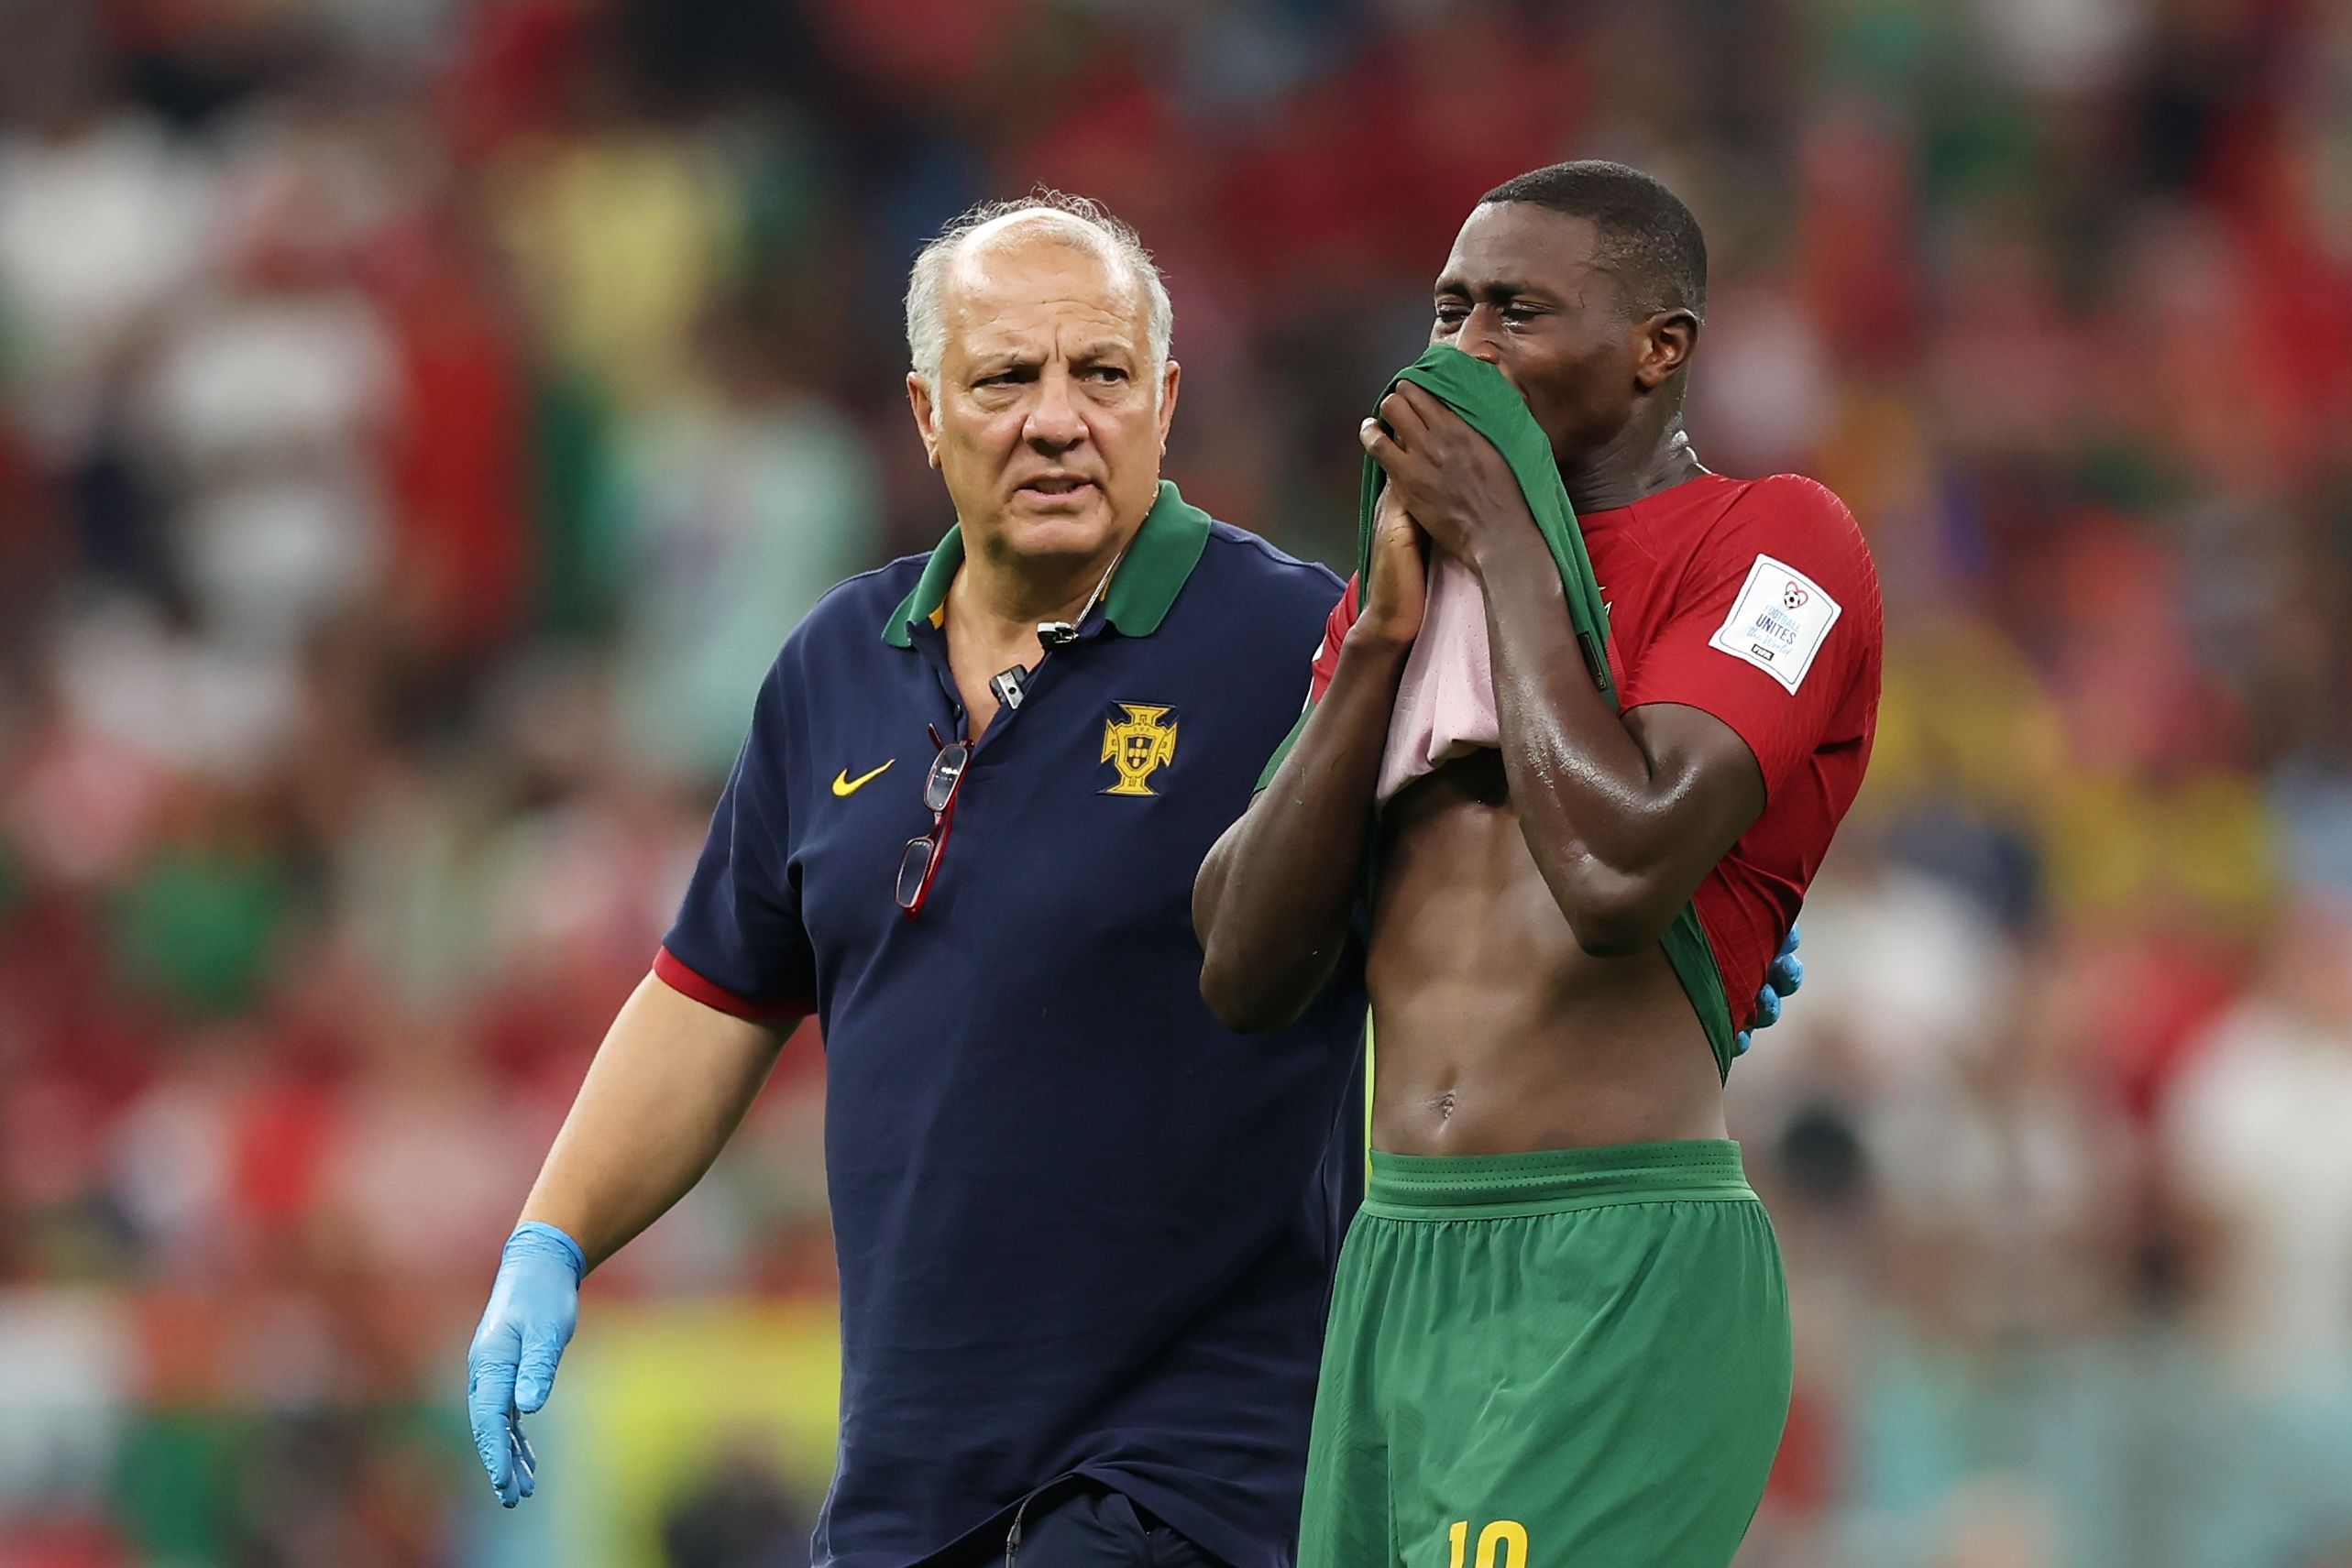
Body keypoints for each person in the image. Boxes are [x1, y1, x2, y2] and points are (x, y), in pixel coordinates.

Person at [465, 192, 1371, 1568]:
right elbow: (710, 994)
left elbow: (1473, 924)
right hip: (916, 1475)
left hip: (1200, 1476)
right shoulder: (835, 664)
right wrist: (552, 1236)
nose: (1057, 420)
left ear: (1167, 401)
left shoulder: (1299, 645)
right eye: (1005, 379)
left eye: (1102, 374)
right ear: (926, 412)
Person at [1194, 161, 1884, 1566]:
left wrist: (1507, 538)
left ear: (1657, 348)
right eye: (1448, 310)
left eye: (1515, 312)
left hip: (1613, 1256)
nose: (1463, 352)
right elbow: (1244, 969)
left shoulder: (1777, 543)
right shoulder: (1408, 590)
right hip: (1393, 1263)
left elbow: (1618, 873)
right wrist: (1377, 644)